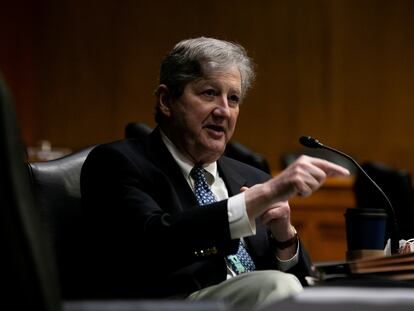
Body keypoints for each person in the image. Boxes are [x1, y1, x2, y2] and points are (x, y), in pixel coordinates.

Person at [80, 37, 349, 309]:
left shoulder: (253, 177)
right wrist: (253, 201)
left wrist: (285, 239)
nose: (224, 111)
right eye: (209, 93)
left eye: (233, 99)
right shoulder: (117, 163)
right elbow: (154, 242)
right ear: (165, 100)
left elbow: (303, 287)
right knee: (277, 286)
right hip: (173, 304)